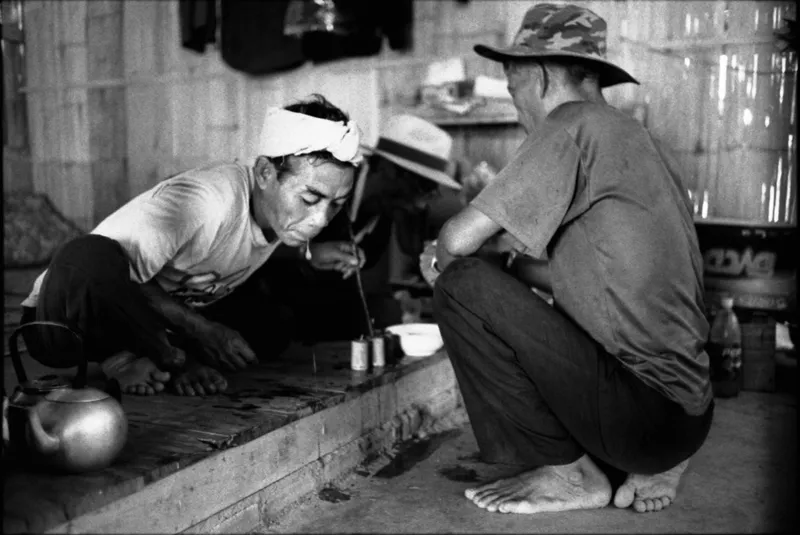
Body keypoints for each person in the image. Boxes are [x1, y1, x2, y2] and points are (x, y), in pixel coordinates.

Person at [421, 3, 714, 516]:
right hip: (687, 418)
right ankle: (633, 463)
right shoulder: (639, 140)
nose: (517, 109)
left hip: (641, 417)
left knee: (461, 284)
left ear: (534, 76)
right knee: (491, 274)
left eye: (513, 92)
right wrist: (508, 268)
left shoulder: (572, 123)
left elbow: (457, 241)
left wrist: (441, 261)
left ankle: (567, 472)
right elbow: (600, 277)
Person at [19, 94, 366, 397]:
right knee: (88, 253)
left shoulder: (278, 212)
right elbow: (112, 275)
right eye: (311, 198)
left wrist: (310, 254)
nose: (321, 219)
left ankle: (165, 352)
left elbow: (249, 240)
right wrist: (202, 330)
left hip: (161, 317)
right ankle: (136, 360)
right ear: (264, 173)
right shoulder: (205, 201)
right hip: (64, 321)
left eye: (336, 203)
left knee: (271, 324)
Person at [261, 114, 462, 341]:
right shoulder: (329, 183)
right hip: (271, 311)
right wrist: (307, 252)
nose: (422, 202)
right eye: (421, 186)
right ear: (388, 170)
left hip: (322, 325)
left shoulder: (387, 211)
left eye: (429, 191)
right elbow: (257, 243)